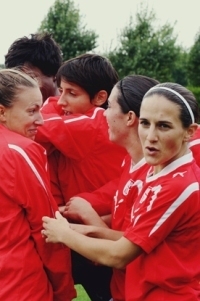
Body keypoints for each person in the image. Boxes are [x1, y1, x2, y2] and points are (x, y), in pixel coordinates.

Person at [43, 82, 200, 301]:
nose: (150, 136)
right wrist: (76, 228)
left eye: (164, 126)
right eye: (145, 123)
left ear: (189, 132)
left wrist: (65, 234)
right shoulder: (160, 173)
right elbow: (134, 237)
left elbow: (119, 256)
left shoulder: (176, 185)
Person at [0, 65, 76, 301]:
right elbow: (47, 229)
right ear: (2, 112)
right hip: (20, 286)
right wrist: (63, 288)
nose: (41, 120)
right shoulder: (21, 149)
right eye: (32, 111)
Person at [35, 53, 126, 301]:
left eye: (72, 93)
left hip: (101, 227)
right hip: (84, 223)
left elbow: (36, 124)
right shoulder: (75, 120)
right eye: (61, 89)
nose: (61, 100)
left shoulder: (94, 122)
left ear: (100, 98)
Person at [61, 75, 159, 301]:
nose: (103, 113)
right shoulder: (130, 162)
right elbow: (124, 223)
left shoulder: (156, 176)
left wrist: (77, 224)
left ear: (130, 118)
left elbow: (130, 251)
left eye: (110, 107)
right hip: (123, 290)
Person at [4, 32, 62, 102]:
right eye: (17, 81)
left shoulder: (73, 110)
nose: (23, 87)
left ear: (54, 74)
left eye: (31, 78)